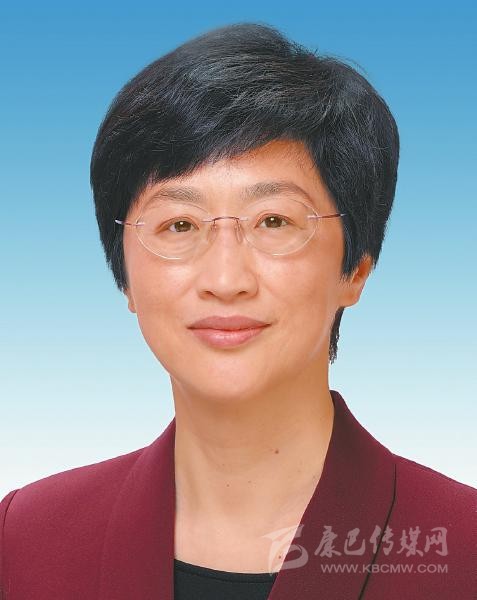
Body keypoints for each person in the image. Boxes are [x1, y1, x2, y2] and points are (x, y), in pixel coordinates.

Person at [1, 22, 475, 600]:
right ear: (124, 275)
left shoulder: (461, 549)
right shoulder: (26, 538)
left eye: (274, 221)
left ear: (355, 268)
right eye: (180, 225)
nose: (225, 281)